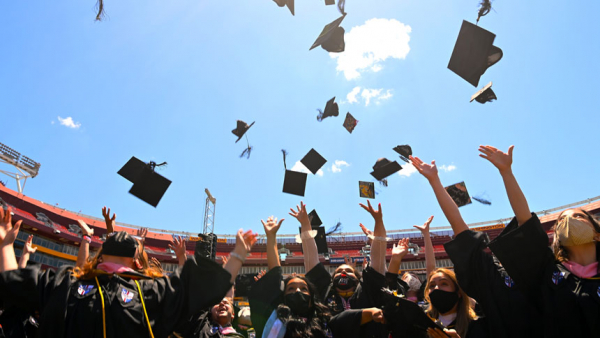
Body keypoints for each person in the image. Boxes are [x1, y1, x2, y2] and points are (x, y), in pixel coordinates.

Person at [0, 205, 256, 338]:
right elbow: (13, 285)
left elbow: (201, 290)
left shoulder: (149, 291)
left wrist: (237, 257)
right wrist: (6, 245)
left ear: (137, 262)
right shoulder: (66, 280)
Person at [411, 151, 543, 338]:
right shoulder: (491, 279)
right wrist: (435, 181)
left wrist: (506, 172)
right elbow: (460, 228)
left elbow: (526, 223)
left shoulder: (544, 270)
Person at [477, 145, 600, 337]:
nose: (569, 220)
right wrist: (506, 172)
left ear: (597, 231)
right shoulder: (548, 273)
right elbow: (525, 221)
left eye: (578, 217)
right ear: (557, 236)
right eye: (561, 221)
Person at [248, 212, 332, 338]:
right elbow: (274, 273)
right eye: (291, 288)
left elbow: (313, 264)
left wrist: (305, 226)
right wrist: (271, 237)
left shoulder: (323, 321)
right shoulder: (271, 322)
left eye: (304, 288)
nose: (298, 291)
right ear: (283, 296)